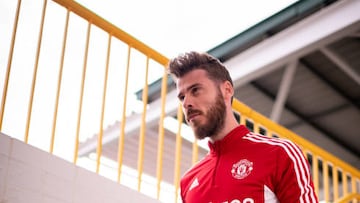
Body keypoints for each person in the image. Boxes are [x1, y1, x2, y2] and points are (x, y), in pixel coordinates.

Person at [167, 51, 318, 203]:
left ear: (227, 90)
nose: (186, 103)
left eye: (195, 90)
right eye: (182, 97)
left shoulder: (280, 153)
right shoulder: (187, 182)